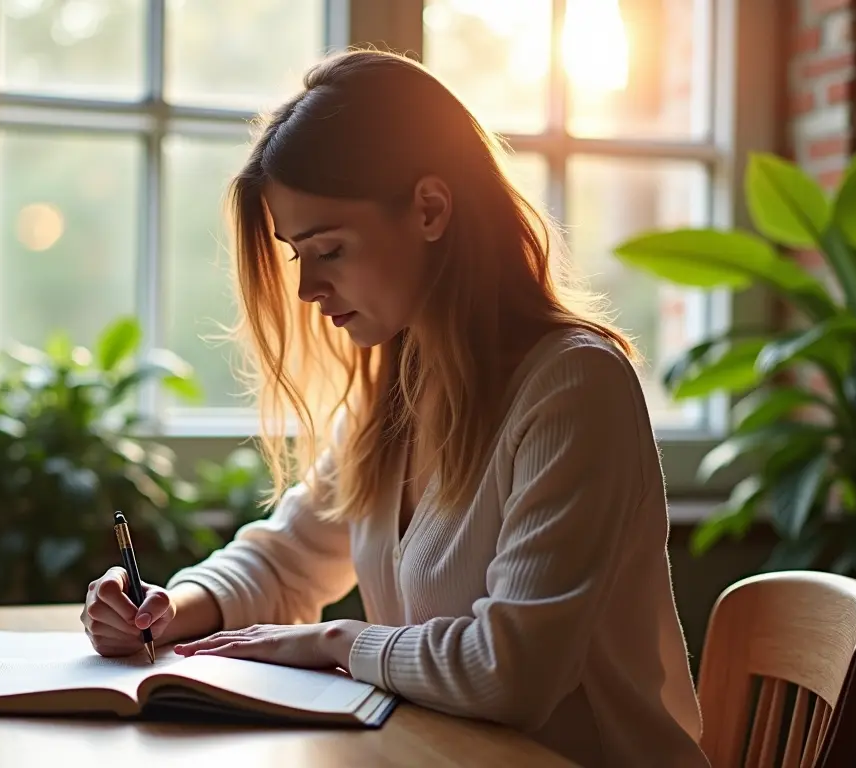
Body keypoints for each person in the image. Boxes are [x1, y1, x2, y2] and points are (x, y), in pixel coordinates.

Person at [81, 49, 708, 767]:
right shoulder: (401, 387)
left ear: (431, 209)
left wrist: (332, 644)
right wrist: (169, 609)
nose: (309, 289)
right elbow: (289, 558)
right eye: (297, 255)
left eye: (331, 249)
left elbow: (511, 672)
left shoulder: (574, 387)